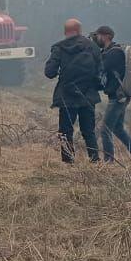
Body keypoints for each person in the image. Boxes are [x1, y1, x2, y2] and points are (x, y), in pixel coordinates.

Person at [44, 18, 101, 163]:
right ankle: (95, 160)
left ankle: (68, 162)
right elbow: (100, 71)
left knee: (65, 131)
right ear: (79, 30)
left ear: (65, 31)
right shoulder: (92, 46)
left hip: (67, 96)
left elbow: (49, 72)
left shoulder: (59, 47)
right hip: (88, 95)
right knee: (88, 131)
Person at [93, 26, 131, 163]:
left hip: (118, 97)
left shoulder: (113, 53)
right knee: (118, 128)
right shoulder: (111, 51)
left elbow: (100, 67)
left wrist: (93, 52)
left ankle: (108, 161)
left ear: (106, 36)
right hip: (120, 96)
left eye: (98, 36)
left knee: (105, 130)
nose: (96, 39)